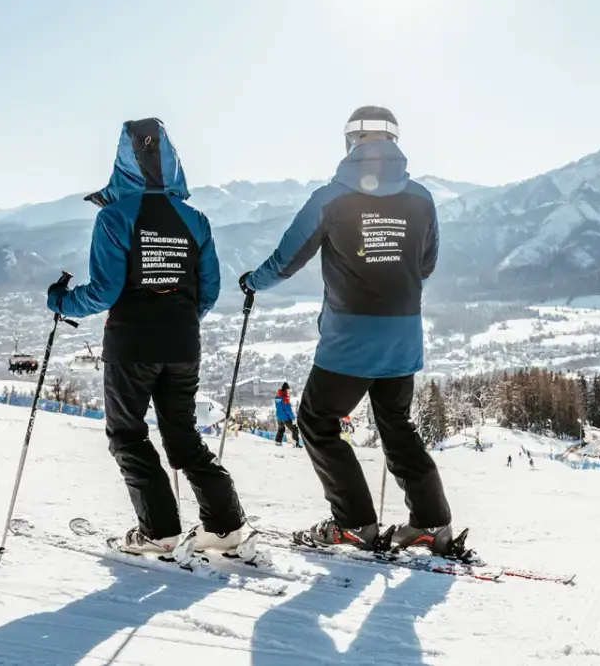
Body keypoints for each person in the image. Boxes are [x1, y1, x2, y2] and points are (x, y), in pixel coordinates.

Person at [238, 106, 456, 555]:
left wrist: (250, 282)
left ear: (350, 142)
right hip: (403, 336)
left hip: (351, 340)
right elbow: (427, 264)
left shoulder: (331, 198)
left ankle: (355, 522)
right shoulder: (421, 199)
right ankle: (431, 523)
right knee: (396, 423)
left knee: (316, 422)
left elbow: (286, 260)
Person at [48, 118, 252, 558]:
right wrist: (177, 318)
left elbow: (103, 291)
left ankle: (159, 532)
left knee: (128, 435)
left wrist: (61, 302)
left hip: (132, 345)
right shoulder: (195, 220)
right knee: (183, 436)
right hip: (183, 344)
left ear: (123, 164)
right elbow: (210, 290)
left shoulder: (114, 216)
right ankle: (225, 527)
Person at [275, 382, 301, 447]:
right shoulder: (285, 397)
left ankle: (278, 442)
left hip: (279, 416)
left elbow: (278, 406)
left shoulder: (277, 396)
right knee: (294, 429)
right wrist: (293, 417)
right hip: (285, 417)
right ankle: (296, 443)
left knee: (281, 429)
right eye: (288, 390)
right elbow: (287, 409)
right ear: (286, 389)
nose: (289, 391)